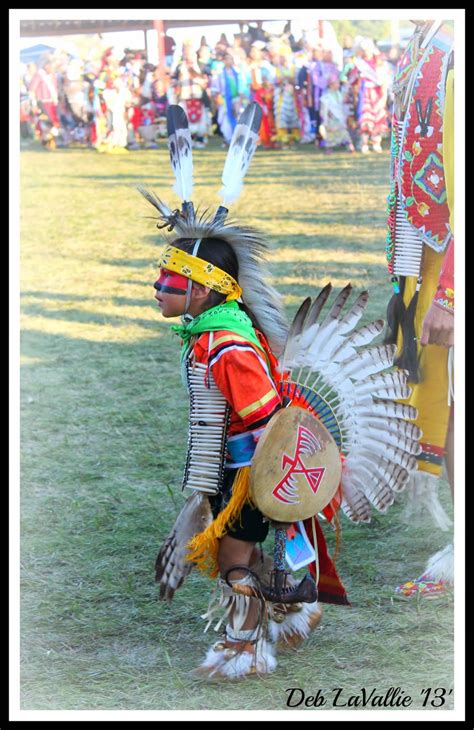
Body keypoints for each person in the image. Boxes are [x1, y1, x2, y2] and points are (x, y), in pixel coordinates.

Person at [140, 104, 423, 681]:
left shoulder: (228, 347)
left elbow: (266, 419)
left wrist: (270, 489)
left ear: (205, 292)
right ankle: (292, 607)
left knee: (232, 558)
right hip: (242, 472)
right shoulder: (214, 335)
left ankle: (245, 648)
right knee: (239, 553)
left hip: (252, 474)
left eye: (169, 282)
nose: (157, 288)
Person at [383, 20, 454, 598]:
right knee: (448, 400)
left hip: (449, 266)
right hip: (429, 262)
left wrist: (451, 295)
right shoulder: (424, 36)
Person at [348, 38, 389, 153]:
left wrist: (384, 95)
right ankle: (364, 142)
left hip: (377, 93)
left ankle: (376, 142)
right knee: (365, 118)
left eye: (367, 49)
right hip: (364, 93)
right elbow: (352, 80)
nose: (366, 52)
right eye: (363, 50)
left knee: (378, 116)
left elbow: (384, 80)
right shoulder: (359, 63)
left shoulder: (379, 63)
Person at [318, 74, 354, 153]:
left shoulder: (338, 94)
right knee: (330, 134)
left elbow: (343, 101)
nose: (338, 85)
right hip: (331, 119)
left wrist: (347, 89)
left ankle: (349, 145)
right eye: (336, 83)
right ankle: (329, 148)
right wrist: (325, 118)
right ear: (331, 85)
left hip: (339, 118)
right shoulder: (326, 96)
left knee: (343, 132)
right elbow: (323, 109)